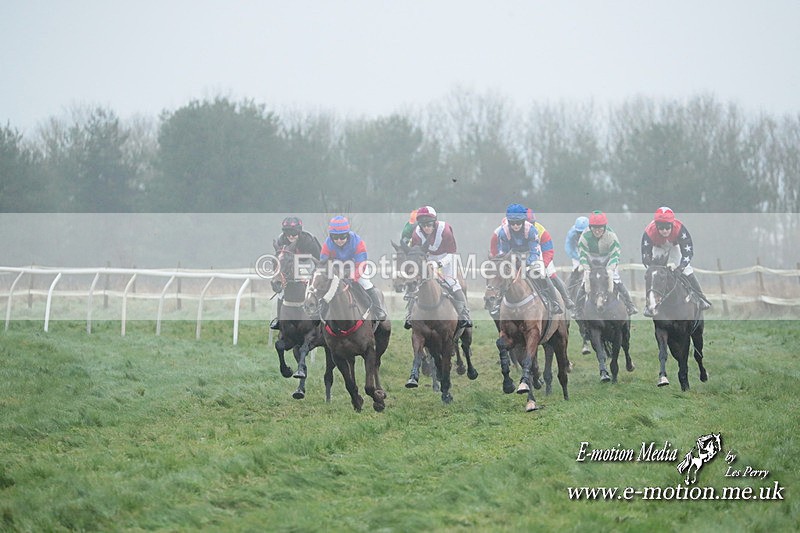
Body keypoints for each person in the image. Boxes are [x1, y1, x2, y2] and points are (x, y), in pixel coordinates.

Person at [489, 204, 574, 315]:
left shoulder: (531, 230)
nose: (515, 226)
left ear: (524, 221)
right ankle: (498, 304)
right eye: (512, 223)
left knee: (541, 274)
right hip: (514, 254)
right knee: (504, 276)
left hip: (531, 254)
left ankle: (554, 302)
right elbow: (505, 252)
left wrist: (528, 263)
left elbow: (535, 251)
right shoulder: (503, 232)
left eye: (518, 223)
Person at [409, 205, 472, 329]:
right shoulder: (416, 234)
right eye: (423, 225)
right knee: (419, 283)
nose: (426, 227)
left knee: (452, 282)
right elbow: (417, 253)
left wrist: (438, 264)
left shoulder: (445, 230)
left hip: (447, 256)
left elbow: (451, 253)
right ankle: (409, 315)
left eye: (429, 224)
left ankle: (464, 314)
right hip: (428, 257)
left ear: (435, 222)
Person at [641, 206, 711, 316]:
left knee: (687, 270)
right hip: (658, 247)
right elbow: (645, 255)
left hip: (675, 246)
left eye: (667, 227)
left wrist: (681, 267)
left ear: (672, 224)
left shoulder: (680, 229)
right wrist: (653, 267)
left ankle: (701, 297)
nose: (664, 231)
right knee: (654, 275)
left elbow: (688, 253)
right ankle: (649, 305)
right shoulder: (649, 232)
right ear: (656, 226)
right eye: (661, 228)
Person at [320, 215, 387, 321]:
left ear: (347, 234)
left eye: (342, 237)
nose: (339, 240)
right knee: (325, 286)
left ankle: (378, 310)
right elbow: (324, 262)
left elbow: (361, 264)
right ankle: (320, 312)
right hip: (337, 270)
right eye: (335, 237)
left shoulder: (357, 242)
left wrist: (352, 278)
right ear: (331, 236)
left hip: (357, 268)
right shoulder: (327, 244)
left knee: (365, 283)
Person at [575, 211, 638, 316]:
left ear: (604, 227)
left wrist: (610, 268)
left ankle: (629, 304)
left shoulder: (611, 236)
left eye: (600, 227)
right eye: (594, 228)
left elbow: (615, 254)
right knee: (584, 281)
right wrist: (587, 268)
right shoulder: (584, 236)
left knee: (616, 279)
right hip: (591, 259)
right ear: (590, 227)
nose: (597, 230)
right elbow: (582, 254)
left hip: (608, 258)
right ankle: (577, 309)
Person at [269, 216, 322, 330]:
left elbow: (320, 260)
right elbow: (279, 259)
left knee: (314, 290)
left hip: (309, 264)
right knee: (281, 292)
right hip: (290, 268)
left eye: (294, 234)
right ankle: (279, 319)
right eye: (288, 234)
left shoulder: (309, 240)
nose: (291, 237)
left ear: (299, 232)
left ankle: (319, 315)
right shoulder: (281, 240)